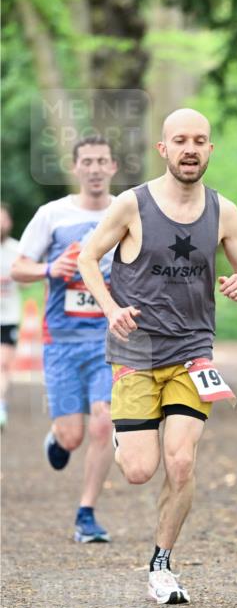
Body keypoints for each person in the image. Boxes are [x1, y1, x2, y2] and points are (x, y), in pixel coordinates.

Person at [78, 108, 237, 604]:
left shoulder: (224, 211)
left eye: (200, 140)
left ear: (210, 149)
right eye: (180, 140)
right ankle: (125, 433)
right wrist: (111, 308)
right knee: (139, 470)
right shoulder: (132, 205)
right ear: (163, 149)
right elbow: (88, 257)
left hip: (192, 353)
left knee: (180, 462)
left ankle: (161, 565)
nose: (190, 149)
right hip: (135, 352)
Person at [11, 135, 117, 542]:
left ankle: (86, 513)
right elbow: (19, 268)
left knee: (104, 423)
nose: (94, 168)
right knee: (73, 436)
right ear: (75, 168)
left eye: (101, 161)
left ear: (113, 167)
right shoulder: (52, 214)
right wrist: (50, 268)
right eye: (87, 161)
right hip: (62, 342)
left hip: (107, 340)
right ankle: (57, 437)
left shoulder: (127, 212)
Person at [0, 203, 21, 427]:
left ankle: (0, 405)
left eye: (3, 219)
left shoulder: (17, 250)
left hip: (8, 319)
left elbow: (28, 280)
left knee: (2, 364)